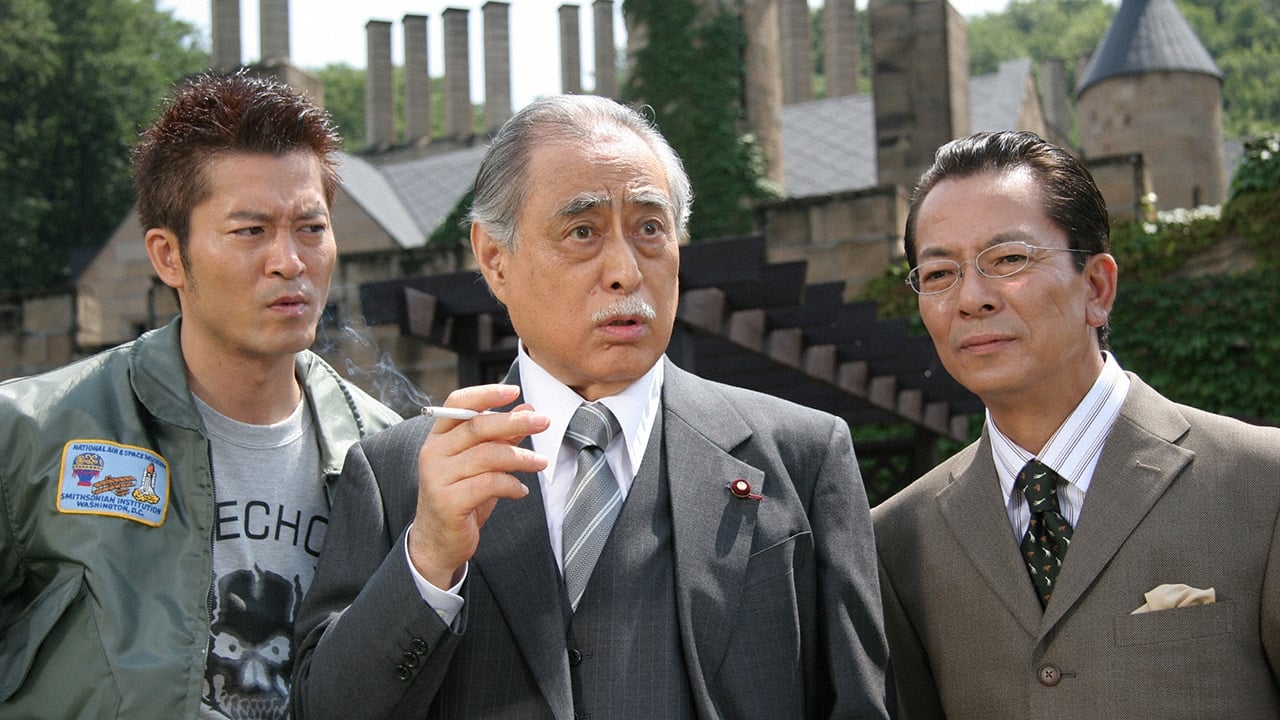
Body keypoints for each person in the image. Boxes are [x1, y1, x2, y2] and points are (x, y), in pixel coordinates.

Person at [290, 94, 889, 720]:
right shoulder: (397, 476)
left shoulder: (801, 458)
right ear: (495, 259)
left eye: (650, 228)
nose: (625, 270)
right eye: (583, 232)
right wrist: (427, 562)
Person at [0, 71, 402, 719]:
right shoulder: (33, 435)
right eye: (250, 231)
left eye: (310, 227)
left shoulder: (387, 456)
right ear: (168, 256)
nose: (289, 261)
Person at [872, 130, 1280, 718]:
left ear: (1096, 286)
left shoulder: (1262, 484)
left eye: (1009, 259)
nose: (971, 298)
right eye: (939, 274)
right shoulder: (896, 540)